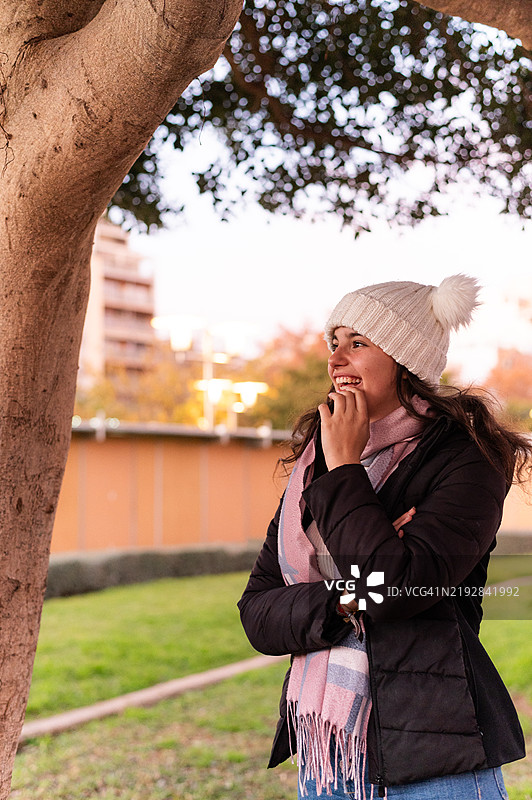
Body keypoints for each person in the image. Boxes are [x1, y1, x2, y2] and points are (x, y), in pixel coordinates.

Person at [237, 275, 530, 800]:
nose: (335, 360)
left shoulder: (467, 457)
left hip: (435, 754)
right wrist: (348, 596)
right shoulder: (315, 462)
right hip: (329, 758)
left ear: (405, 359)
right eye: (333, 343)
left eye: (358, 343)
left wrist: (345, 470)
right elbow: (258, 613)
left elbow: (395, 590)